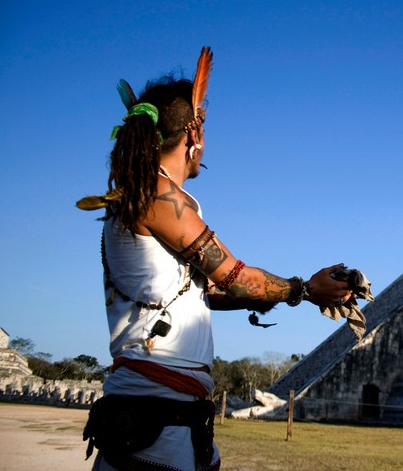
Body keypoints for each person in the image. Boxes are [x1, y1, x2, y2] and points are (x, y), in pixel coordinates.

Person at [78, 47, 352, 471]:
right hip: (155, 419)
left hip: (170, 416)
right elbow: (235, 275)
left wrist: (269, 296)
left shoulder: (154, 196)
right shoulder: (158, 195)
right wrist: (304, 289)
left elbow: (209, 292)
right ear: (193, 135)